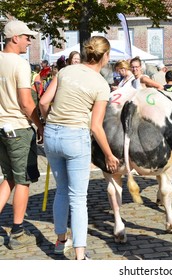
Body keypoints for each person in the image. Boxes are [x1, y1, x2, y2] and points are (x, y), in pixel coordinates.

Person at [39, 36, 119, 260]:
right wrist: (109, 154)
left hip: (52, 135)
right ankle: (80, 255)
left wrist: (49, 123)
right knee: (78, 198)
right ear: (105, 56)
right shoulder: (101, 84)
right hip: (75, 137)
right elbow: (96, 126)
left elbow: (44, 102)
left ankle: (60, 240)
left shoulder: (65, 72)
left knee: (62, 191)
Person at [0, 20, 44, 249]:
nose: (29, 41)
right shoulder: (20, 64)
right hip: (17, 127)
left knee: (8, 177)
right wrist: (40, 125)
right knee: (23, 180)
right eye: (27, 37)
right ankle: (17, 230)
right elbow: (26, 103)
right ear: (14, 38)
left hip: (0, 127)